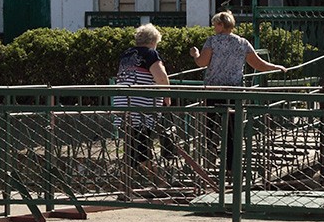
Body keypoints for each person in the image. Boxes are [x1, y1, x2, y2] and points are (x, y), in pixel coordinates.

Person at [188, 10, 287, 170]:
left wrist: (195, 54)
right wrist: (276, 67)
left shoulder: (212, 42)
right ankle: (232, 166)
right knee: (233, 130)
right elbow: (258, 64)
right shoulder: (242, 43)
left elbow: (202, 62)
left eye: (215, 24)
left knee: (210, 124)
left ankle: (210, 150)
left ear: (221, 24)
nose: (213, 27)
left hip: (213, 90)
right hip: (234, 91)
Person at [114, 24, 171, 174]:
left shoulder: (126, 54)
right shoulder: (150, 54)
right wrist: (167, 96)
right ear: (153, 41)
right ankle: (158, 182)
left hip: (123, 105)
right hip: (142, 107)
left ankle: (126, 184)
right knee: (142, 146)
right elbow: (162, 77)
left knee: (132, 146)